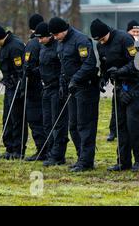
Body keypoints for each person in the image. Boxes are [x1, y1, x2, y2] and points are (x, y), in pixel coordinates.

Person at [91, 18, 139, 172]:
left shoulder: (125, 38)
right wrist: (103, 79)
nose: (101, 42)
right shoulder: (100, 45)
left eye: (103, 39)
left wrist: (119, 72)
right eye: (99, 41)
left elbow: (137, 63)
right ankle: (123, 161)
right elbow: (105, 66)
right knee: (120, 125)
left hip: (135, 86)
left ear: (107, 33)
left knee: (133, 123)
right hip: (119, 88)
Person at [48, 17, 100, 172]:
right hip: (72, 88)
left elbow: (89, 65)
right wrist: (63, 84)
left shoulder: (81, 40)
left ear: (63, 30)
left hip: (85, 88)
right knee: (73, 126)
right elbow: (63, 66)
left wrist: (75, 79)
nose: (55, 38)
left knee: (85, 126)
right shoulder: (61, 42)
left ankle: (86, 161)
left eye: (56, 35)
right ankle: (80, 158)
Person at [0, 25, 27, 160]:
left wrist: (16, 81)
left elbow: (21, 69)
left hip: (17, 87)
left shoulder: (15, 46)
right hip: (9, 86)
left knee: (16, 119)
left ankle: (18, 149)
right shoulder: (4, 46)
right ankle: (9, 148)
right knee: (7, 118)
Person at [34, 22, 69, 167]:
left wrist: (62, 86)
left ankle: (58, 155)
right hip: (46, 89)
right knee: (47, 122)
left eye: (41, 37)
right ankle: (49, 152)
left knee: (57, 123)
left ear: (50, 36)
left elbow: (62, 68)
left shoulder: (58, 47)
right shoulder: (42, 47)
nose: (39, 40)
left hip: (57, 90)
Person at [21, 14, 47, 161]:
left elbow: (28, 66)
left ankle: (41, 149)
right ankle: (47, 148)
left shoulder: (32, 43)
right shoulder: (48, 41)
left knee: (35, 119)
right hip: (45, 86)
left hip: (34, 87)